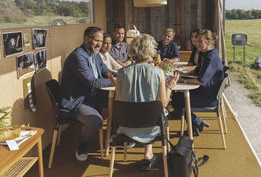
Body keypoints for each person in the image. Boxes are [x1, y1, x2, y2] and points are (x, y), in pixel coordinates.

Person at [108, 34, 179, 171]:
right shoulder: (158, 72)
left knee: (142, 106)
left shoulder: (122, 73)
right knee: (154, 110)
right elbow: (164, 103)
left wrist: (118, 85)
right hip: (152, 127)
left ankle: (148, 153)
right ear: (151, 51)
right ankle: (148, 153)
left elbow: (119, 102)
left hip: (125, 127)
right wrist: (170, 87)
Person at [59, 26, 115, 161]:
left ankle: (114, 135)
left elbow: (106, 72)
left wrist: (123, 75)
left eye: (101, 41)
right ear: (86, 39)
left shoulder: (95, 55)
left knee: (121, 103)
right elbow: (92, 82)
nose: (99, 44)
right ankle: (82, 144)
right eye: (97, 41)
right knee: (95, 121)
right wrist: (115, 81)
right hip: (77, 101)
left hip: (92, 96)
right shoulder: (78, 57)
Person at [171, 29, 225, 136]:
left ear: (209, 42)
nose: (197, 43)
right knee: (176, 97)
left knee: (178, 101)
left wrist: (183, 80)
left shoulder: (211, 57)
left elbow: (201, 81)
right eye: (196, 41)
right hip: (203, 91)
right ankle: (196, 123)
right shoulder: (205, 54)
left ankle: (196, 124)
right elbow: (196, 71)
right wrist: (181, 73)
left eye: (200, 41)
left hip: (209, 97)